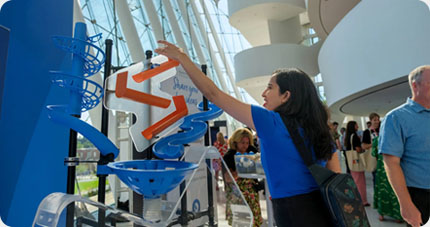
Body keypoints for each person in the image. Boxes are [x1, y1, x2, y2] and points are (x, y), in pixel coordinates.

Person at [155, 40, 340, 226]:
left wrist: (182, 57)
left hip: (292, 213)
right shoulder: (320, 131)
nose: (264, 93)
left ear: (286, 96)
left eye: (270, 87)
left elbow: (213, 94)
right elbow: (335, 178)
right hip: (323, 212)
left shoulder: (270, 123)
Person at [379, 65, 430, 227]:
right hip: (421, 197)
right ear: (415, 85)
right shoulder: (396, 118)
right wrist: (406, 204)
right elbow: (391, 163)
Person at [222, 128, 263, 226]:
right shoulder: (229, 156)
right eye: (242, 142)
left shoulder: (252, 152)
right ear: (235, 142)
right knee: (240, 222)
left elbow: (260, 170)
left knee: (254, 222)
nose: (245, 145)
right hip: (237, 194)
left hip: (252, 193)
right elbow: (227, 178)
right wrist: (241, 169)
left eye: (247, 143)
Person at [371, 125, 403, 223]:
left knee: (382, 190)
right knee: (395, 190)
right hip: (394, 168)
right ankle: (398, 216)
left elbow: (374, 153)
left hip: (381, 170)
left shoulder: (377, 140)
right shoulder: (396, 139)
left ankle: (381, 214)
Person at [344, 121, 369, 206]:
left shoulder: (347, 136)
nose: (357, 126)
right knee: (360, 182)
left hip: (350, 162)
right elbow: (358, 149)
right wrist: (363, 150)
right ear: (353, 126)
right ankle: (362, 200)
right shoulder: (354, 136)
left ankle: (355, 199)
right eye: (356, 125)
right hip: (356, 162)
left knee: (354, 181)